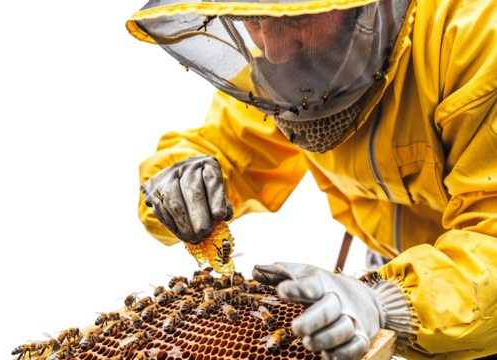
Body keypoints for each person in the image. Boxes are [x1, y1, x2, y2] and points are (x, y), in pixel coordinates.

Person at [129, 0, 497, 358]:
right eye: (252, 20)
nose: (273, 50)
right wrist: (174, 176)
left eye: (295, 19)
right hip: (384, 263)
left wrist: (389, 303)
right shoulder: (288, 62)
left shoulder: (478, 39)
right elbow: (227, 148)